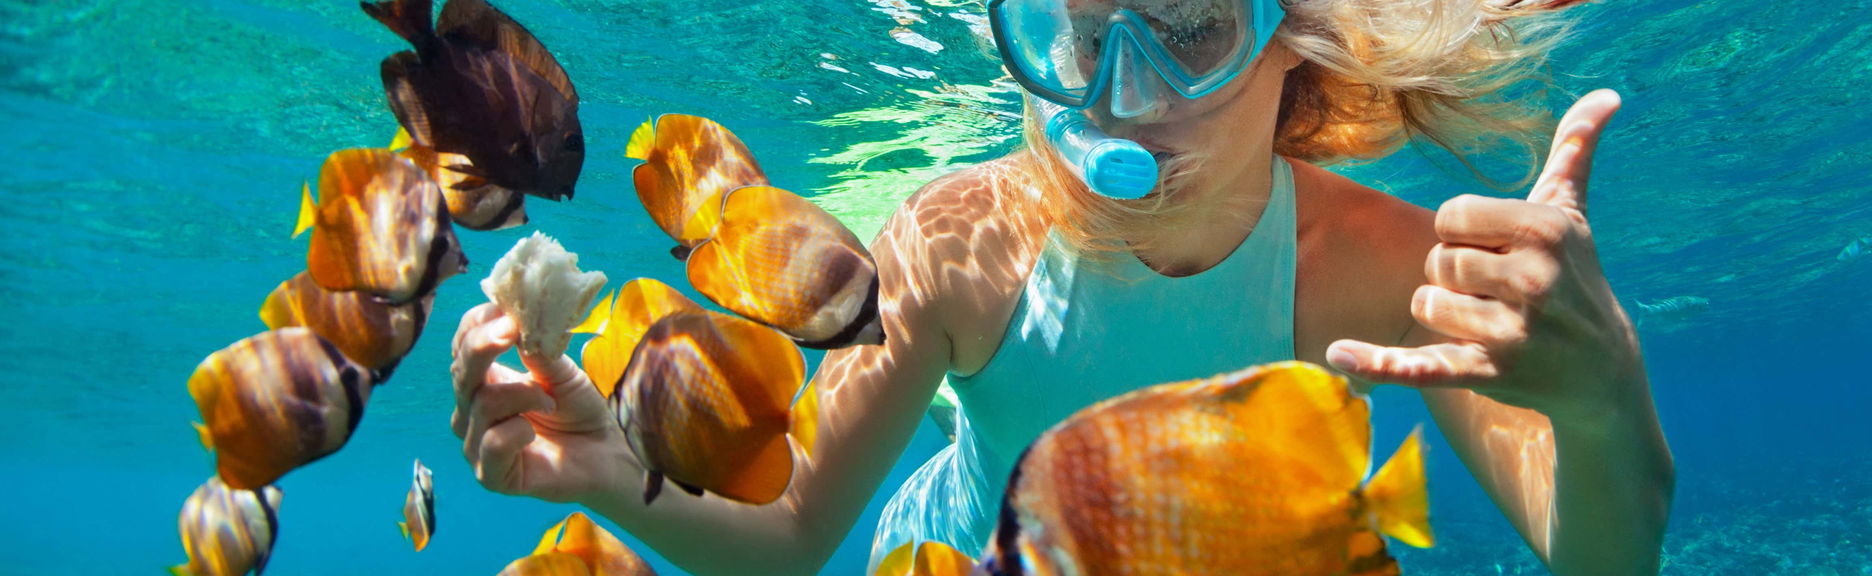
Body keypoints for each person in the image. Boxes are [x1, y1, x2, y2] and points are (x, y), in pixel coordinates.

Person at [447, 0, 1674, 573]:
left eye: (1191, 26)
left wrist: (1601, 391)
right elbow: (790, 535)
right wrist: (620, 478)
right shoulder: (951, 245)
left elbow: (1600, 558)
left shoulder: (1378, 264)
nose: (1118, 94)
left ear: (1293, 45)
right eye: (1077, 32)